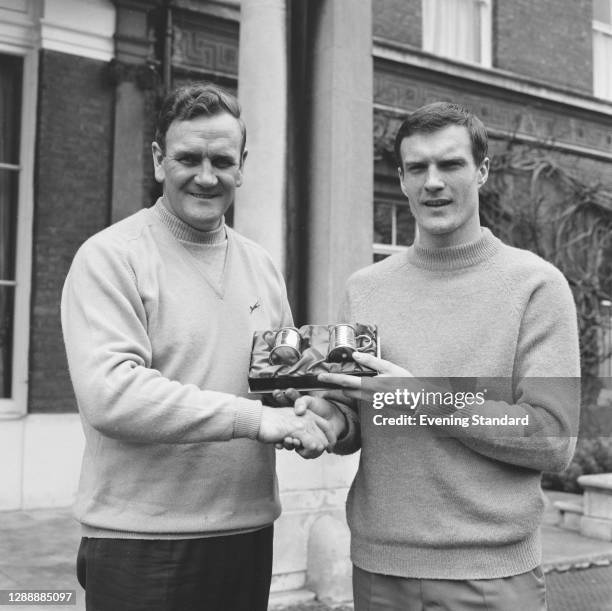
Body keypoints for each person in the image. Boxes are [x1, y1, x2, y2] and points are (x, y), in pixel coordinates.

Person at [292, 102, 580, 610]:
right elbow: (363, 413)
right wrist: (329, 424)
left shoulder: (535, 286)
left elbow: (553, 438)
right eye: (418, 168)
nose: (433, 182)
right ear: (401, 180)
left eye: (450, 165)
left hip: (493, 576)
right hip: (381, 571)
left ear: (482, 171)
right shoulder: (366, 289)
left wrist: (422, 400)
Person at [61, 83, 335, 611]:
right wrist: (255, 420)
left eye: (221, 160)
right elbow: (111, 395)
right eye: (188, 158)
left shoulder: (261, 264)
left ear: (242, 167)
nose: (206, 177)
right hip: (140, 543)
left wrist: (311, 402)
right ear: (160, 161)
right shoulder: (111, 257)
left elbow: (275, 383)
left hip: (246, 533)